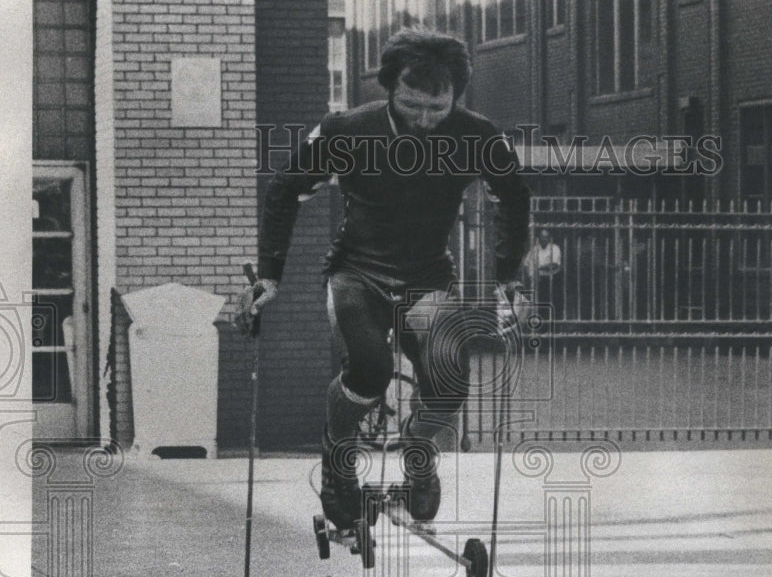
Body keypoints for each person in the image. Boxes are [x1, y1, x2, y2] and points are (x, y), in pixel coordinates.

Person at [238, 29, 531, 529]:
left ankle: (419, 462)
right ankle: (337, 461)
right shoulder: (344, 130)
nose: (423, 119)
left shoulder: (478, 134)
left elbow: (515, 198)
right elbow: (283, 191)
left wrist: (507, 277)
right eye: (411, 104)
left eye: (437, 108)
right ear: (389, 88)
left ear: (455, 96)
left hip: (427, 277)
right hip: (357, 272)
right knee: (369, 370)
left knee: (448, 378)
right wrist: (269, 275)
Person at [524, 227, 562, 320]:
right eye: (542, 237)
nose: (544, 239)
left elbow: (554, 265)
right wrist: (531, 275)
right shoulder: (535, 249)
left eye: (546, 237)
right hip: (538, 281)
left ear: (549, 238)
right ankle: (542, 329)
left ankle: (554, 327)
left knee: (553, 305)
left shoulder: (555, 248)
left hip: (551, 280)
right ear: (538, 238)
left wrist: (540, 267)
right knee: (540, 305)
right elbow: (526, 263)